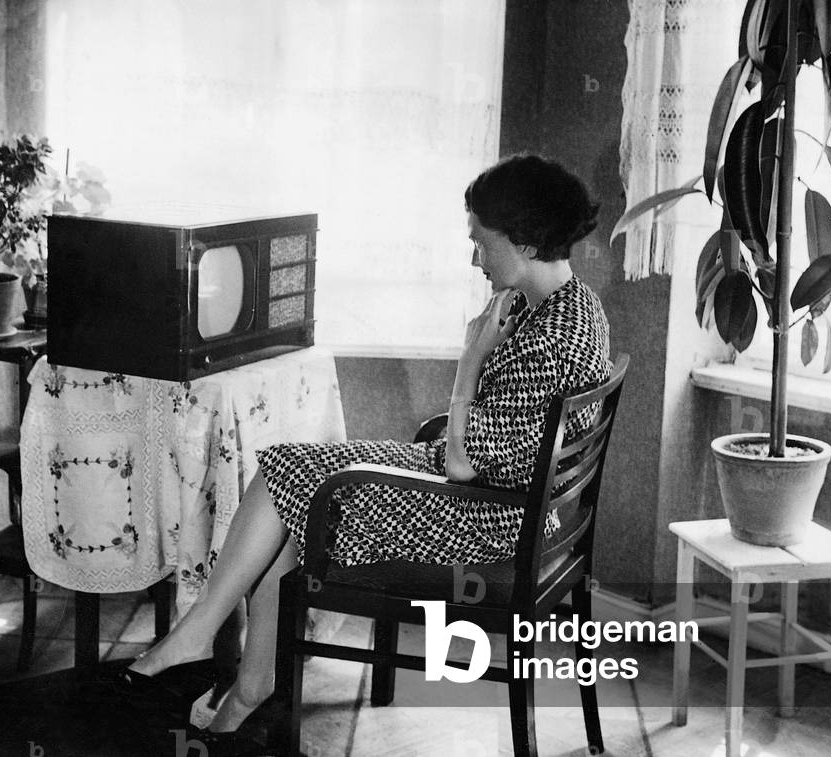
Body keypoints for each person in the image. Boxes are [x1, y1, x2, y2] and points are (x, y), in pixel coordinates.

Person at [122, 154, 612, 742]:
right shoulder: (572, 305)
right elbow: (493, 444)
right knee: (292, 485)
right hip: (512, 505)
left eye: (481, 243)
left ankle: (207, 643)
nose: (475, 259)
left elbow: (462, 464)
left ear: (526, 242)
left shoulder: (548, 338)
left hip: (489, 521)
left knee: (291, 481)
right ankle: (244, 683)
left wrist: (470, 359)